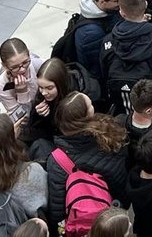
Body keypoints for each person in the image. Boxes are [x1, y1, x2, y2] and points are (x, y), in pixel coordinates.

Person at [46, 92, 129, 220]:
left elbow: (58, 205)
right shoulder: (112, 133)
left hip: (83, 216)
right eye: (90, 105)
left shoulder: (58, 161)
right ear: (86, 116)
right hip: (114, 206)